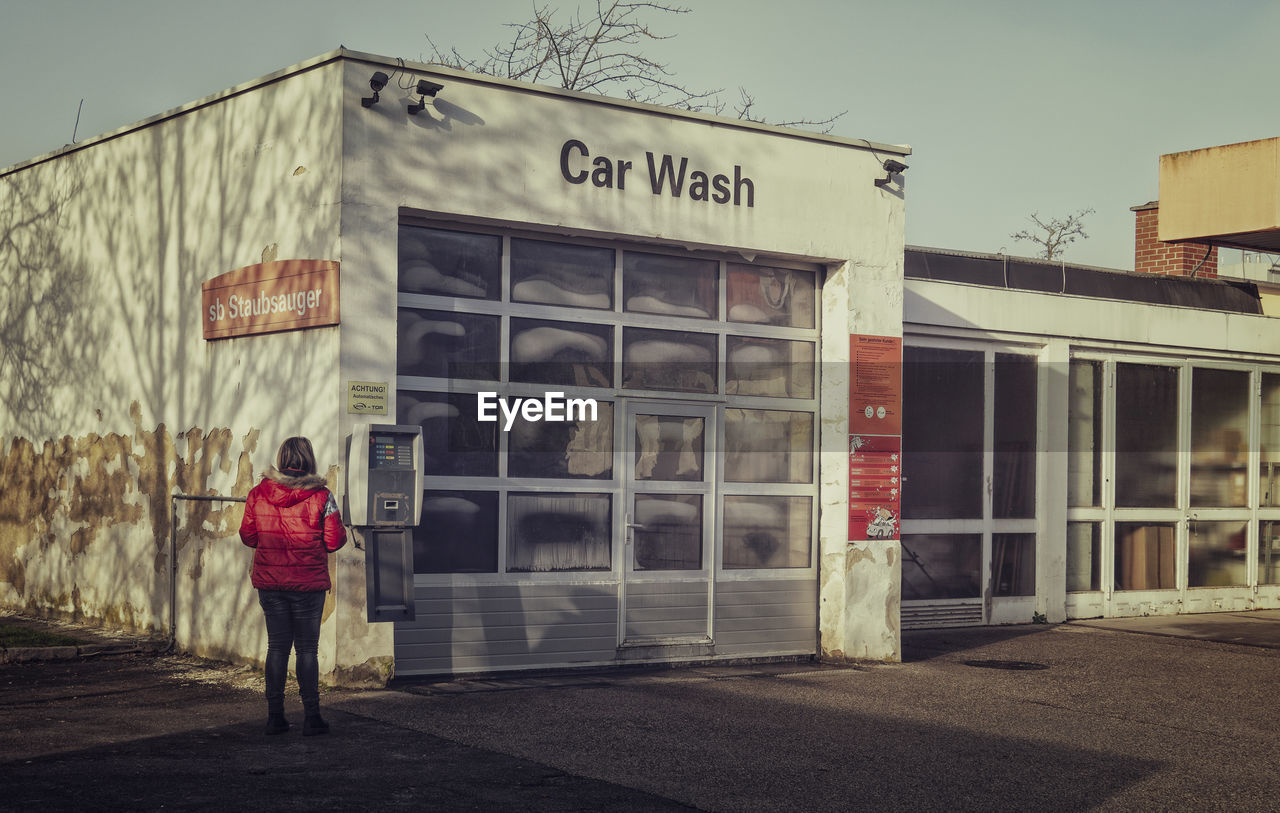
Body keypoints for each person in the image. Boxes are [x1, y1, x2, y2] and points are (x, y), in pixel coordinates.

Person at [239, 436, 346, 736]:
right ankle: (312, 718)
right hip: (308, 586)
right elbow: (334, 541)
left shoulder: (258, 493)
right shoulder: (323, 497)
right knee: (307, 650)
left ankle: (275, 718)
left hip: (271, 585)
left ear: (281, 456)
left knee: (277, 648)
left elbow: (248, 537)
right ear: (309, 459)